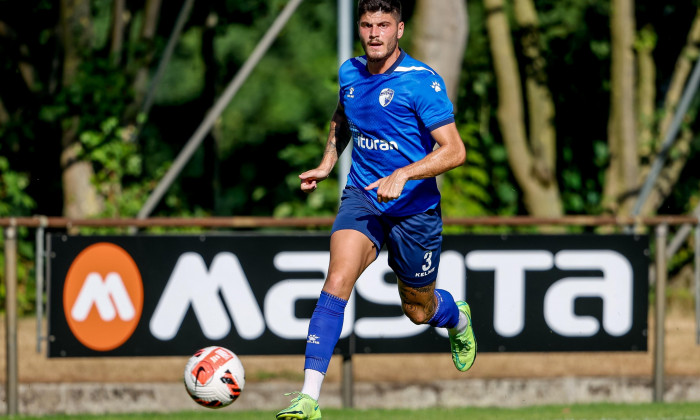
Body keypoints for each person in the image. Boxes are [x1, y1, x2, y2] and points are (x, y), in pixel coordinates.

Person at [275, 0, 475, 418]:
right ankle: (309, 397)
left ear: (399, 29)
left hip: (415, 211)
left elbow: (454, 151)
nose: (374, 33)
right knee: (337, 279)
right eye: (367, 25)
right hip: (363, 198)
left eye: (384, 25)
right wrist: (329, 162)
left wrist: (404, 175)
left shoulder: (421, 81)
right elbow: (343, 116)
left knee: (417, 310)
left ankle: (456, 319)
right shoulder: (350, 72)